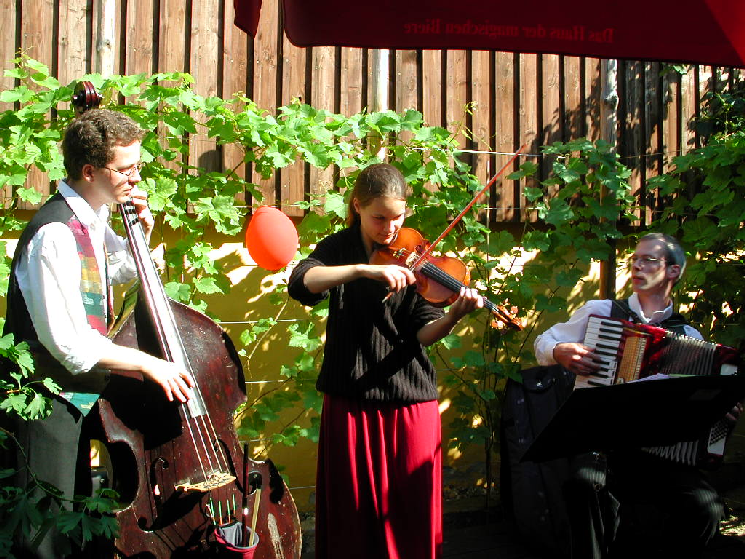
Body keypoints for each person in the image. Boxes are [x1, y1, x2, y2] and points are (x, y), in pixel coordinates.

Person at [5, 108, 194, 559]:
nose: (136, 178)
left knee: (78, 530)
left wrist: (140, 236)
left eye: (139, 166)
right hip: (46, 401)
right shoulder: (54, 232)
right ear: (89, 170)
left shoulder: (92, 217)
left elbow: (117, 272)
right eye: (126, 169)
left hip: (81, 397)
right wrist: (148, 361)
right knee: (44, 540)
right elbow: (68, 344)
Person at [288, 163, 483, 559]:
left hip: (410, 402)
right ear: (357, 206)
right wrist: (363, 270)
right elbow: (302, 282)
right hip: (349, 399)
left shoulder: (418, 257)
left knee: (409, 515)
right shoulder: (338, 249)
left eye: (398, 218)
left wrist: (453, 315)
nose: (390, 229)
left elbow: (422, 334)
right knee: (353, 515)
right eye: (380, 218)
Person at [533, 232, 742, 559]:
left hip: (661, 454)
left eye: (649, 260)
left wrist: (720, 410)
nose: (637, 266)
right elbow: (542, 343)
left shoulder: (689, 336)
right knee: (583, 484)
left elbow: (706, 400)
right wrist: (558, 350)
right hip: (602, 444)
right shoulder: (601, 312)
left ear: (673, 271)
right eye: (634, 260)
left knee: (706, 507)